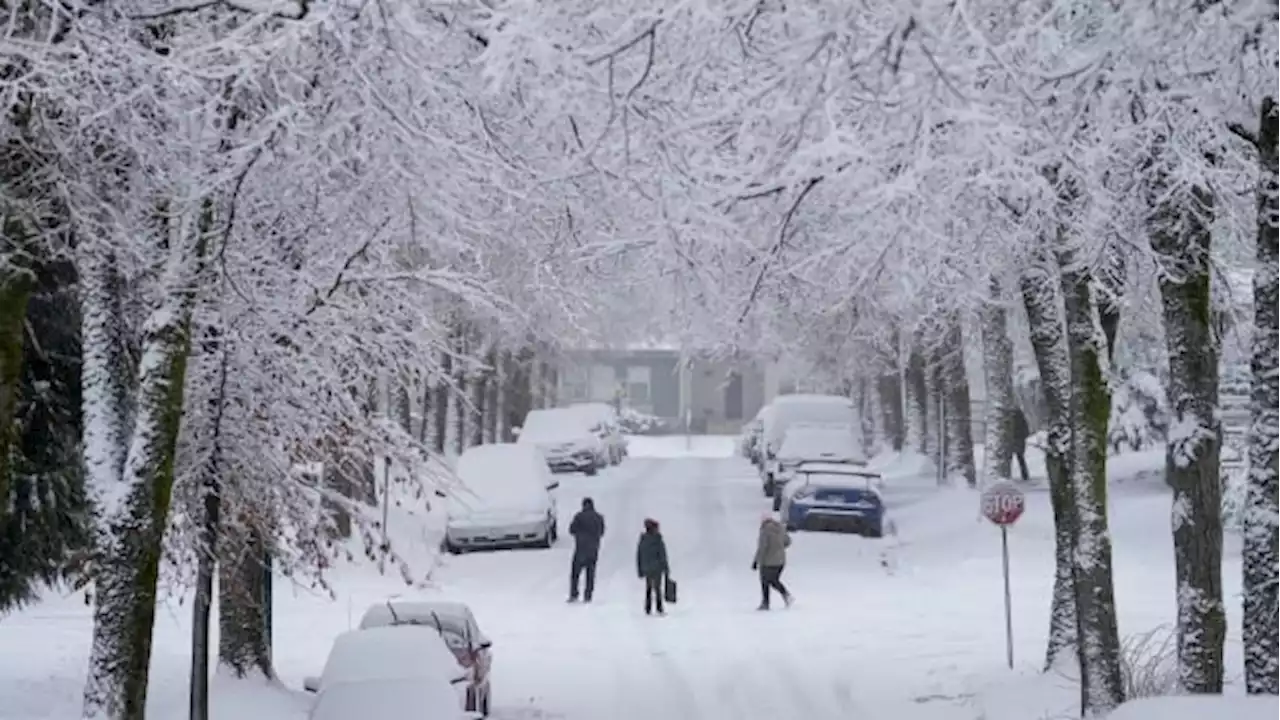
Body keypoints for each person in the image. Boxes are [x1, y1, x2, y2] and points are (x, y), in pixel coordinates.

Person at [752, 512, 792, 610]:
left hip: (768, 561)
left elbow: (762, 547)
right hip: (781, 561)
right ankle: (786, 595)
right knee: (774, 580)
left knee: (765, 582)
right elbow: (788, 541)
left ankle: (766, 603)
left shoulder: (765, 531)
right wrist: (779, 548)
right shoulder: (780, 528)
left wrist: (756, 561)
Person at [568, 497, 605, 602]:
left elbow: (571, 530)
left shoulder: (579, 517)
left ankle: (574, 594)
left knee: (575, 573)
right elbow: (602, 532)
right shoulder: (599, 517)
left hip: (580, 549)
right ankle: (588, 595)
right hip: (593, 550)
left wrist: (579, 535)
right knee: (590, 574)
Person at [635, 518, 670, 616]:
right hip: (657, 568)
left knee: (649, 588)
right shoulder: (658, 540)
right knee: (658, 589)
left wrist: (640, 569)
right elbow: (662, 555)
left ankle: (648, 608)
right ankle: (659, 608)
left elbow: (639, 555)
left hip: (647, 568)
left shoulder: (643, 540)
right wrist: (666, 568)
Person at [1012, 407, 1031, 483]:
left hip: (1013, 440)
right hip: (1020, 440)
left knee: (1009, 458)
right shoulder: (1022, 420)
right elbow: (1026, 431)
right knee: (1021, 458)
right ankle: (1025, 475)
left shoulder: (1010, 419)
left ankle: (1006, 475)